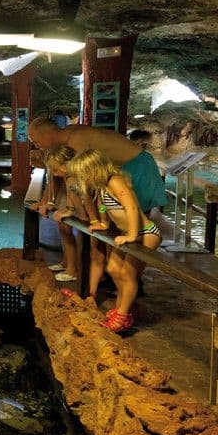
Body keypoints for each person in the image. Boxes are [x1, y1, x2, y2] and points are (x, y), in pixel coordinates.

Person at [67, 149, 162, 333]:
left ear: (93, 170)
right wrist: (103, 222)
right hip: (128, 234)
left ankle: (122, 314)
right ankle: (121, 308)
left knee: (127, 273)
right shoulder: (103, 186)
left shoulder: (115, 181)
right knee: (112, 269)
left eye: (82, 175)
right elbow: (104, 205)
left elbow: (132, 208)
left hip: (145, 233)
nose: (81, 179)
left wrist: (132, 235)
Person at [28, 118, 167, 214]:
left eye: (36, 141)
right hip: (123, 171)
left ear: (47, 135)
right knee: (119, 222)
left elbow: (70, 176)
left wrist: (67, 208)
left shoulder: (77, 139)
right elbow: (57, 172)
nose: (36, 146)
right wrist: (45, 201)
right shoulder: (67, 135)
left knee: (137, 224)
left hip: (139, 167)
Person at [43, 146, 99, 282]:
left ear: (68, 163)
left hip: (93, 218)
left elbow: (87, 199)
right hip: (84, 216)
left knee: (94, 248)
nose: (55, 174)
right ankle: (73, 268)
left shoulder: (79, 176)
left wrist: (90, 219)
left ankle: (80, 274)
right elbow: (70, 194)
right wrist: (69, 209)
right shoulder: (69, 177)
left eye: (56, 169)